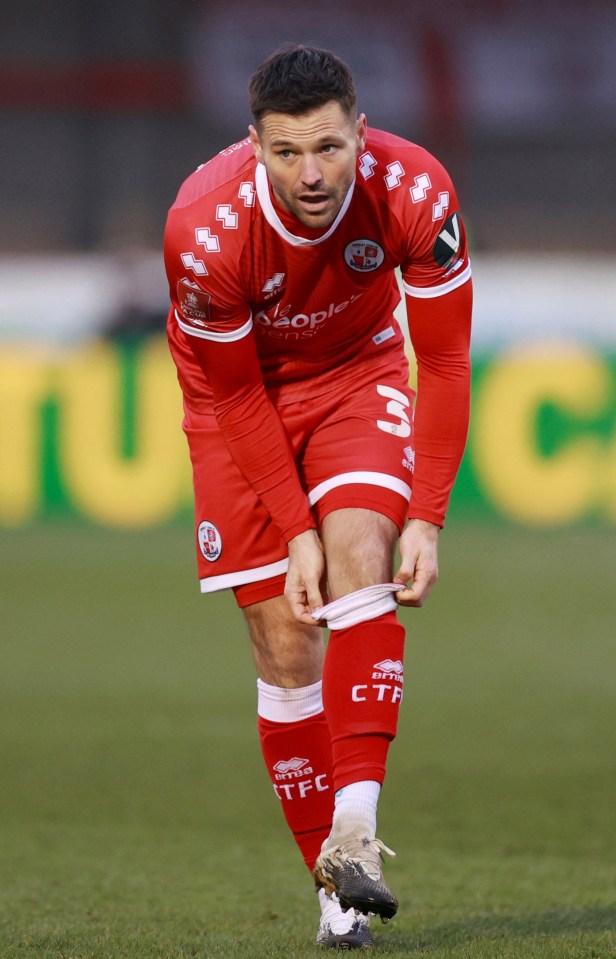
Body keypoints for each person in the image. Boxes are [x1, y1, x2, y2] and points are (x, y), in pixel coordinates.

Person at [164, 43, 472, 950]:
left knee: (361, 557)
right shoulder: (204, 230)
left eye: (330, 148)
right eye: (289, 152)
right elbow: (234, 394)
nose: (313, 173)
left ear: (362, 132)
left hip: (356, 374)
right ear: (253, 145)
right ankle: (335, 899)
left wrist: (428, 510)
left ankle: (355, 831)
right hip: (238, 405)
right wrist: (291, 527)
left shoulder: (414, 191)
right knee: (287, 647)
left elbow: (446, 360)